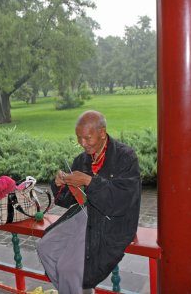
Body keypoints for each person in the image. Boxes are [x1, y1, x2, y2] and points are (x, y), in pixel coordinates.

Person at [37, 110, 141, 294]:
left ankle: (76, 288)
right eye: (79, 138)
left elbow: (122, 201)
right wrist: (60, 184)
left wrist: (89, 181)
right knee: (45, 248)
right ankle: (77, 290)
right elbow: (66, 201)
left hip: (113, 221)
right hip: (85, 214)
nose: (83, 144)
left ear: (102, 132)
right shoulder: (83, 159)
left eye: (87, 138)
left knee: (69, 268)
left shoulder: (125, 157)